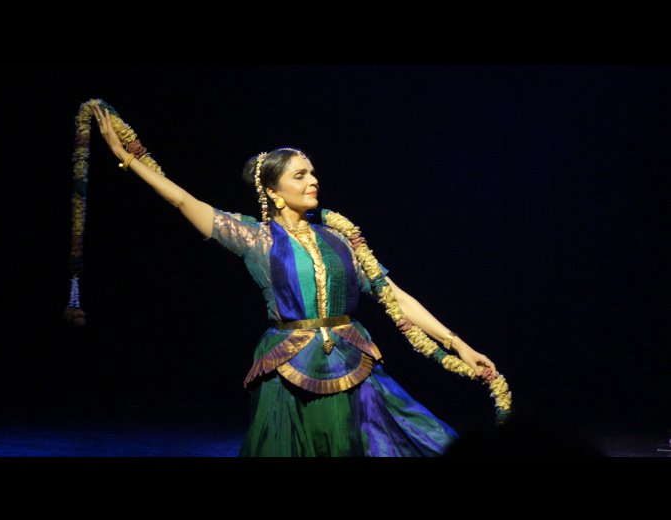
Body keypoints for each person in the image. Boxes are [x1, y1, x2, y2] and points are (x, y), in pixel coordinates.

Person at [91, 104, 501, 457]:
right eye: (300, 175)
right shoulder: (255, 237)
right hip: (289, 366)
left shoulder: (340, 238)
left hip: (352, 359)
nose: (313, 180)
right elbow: (183, 200)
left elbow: (395, 297)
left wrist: (459, 345)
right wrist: (125, 157)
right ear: (274, 191)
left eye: (313, 173)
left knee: (409, 438)